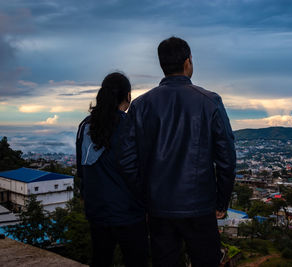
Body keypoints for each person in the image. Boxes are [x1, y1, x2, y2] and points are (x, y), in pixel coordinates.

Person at [121, 37, 236, 267]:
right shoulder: (210, 101)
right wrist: (221, 203)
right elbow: (227, 159)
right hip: (200, 206)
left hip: (158, 208)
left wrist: (144, 199)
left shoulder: (141, 105)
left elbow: (126, 160)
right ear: (187, 62)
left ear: (163, 64)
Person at [76, 72, 147, 267]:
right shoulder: (129, 125)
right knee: (136, 260)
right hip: (129, 212)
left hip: (97, 210)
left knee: (100, 258)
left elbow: (81, 169)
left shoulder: (85, 126)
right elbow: (137, 170)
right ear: (128, 96)